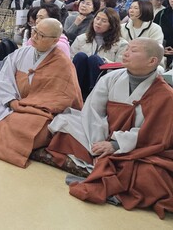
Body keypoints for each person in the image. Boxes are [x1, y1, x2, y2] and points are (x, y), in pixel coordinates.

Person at [47, 38, 173, 219]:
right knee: (63, 122)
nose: (126, 53)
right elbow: (92, 112)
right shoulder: (111, 78)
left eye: (134, 51)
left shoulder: (166, 95)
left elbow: (155, 134)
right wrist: (99, 142)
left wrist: (115, 145)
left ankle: (100, 167)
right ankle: (100, 162)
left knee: (152, 175)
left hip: (137, 146)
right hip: (102, 134)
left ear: (152, 61)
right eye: (127, 49)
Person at [0, 18, 82, 168]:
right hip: (13, 102)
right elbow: (3, 79)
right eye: (34, 31)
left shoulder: (64, 64)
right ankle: (5, 127)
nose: (35, 36)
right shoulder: (22, 52)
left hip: (37, 111)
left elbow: (64, 97)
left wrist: (28, 105)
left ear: (55, 40)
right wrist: (11, 101)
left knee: (37, 125)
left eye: (41, 35)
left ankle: (2, 131)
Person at [70, 8, 128, 99]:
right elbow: (70, 60)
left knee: (94, 59)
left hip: (103, 81)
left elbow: (121, 68)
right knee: (81, 56)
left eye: (104, 21)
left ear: (111, 25)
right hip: (80, 80)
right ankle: (74, 92)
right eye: (97, 19)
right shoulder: (81, 39)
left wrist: (105, 62)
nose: (98, 22)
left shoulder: (121, 44)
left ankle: (94, 95)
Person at [155, 0, 173, 68]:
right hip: (164, 51)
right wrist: (161, 49)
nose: (172, 0)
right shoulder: (161, 14)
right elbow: (155, 35)